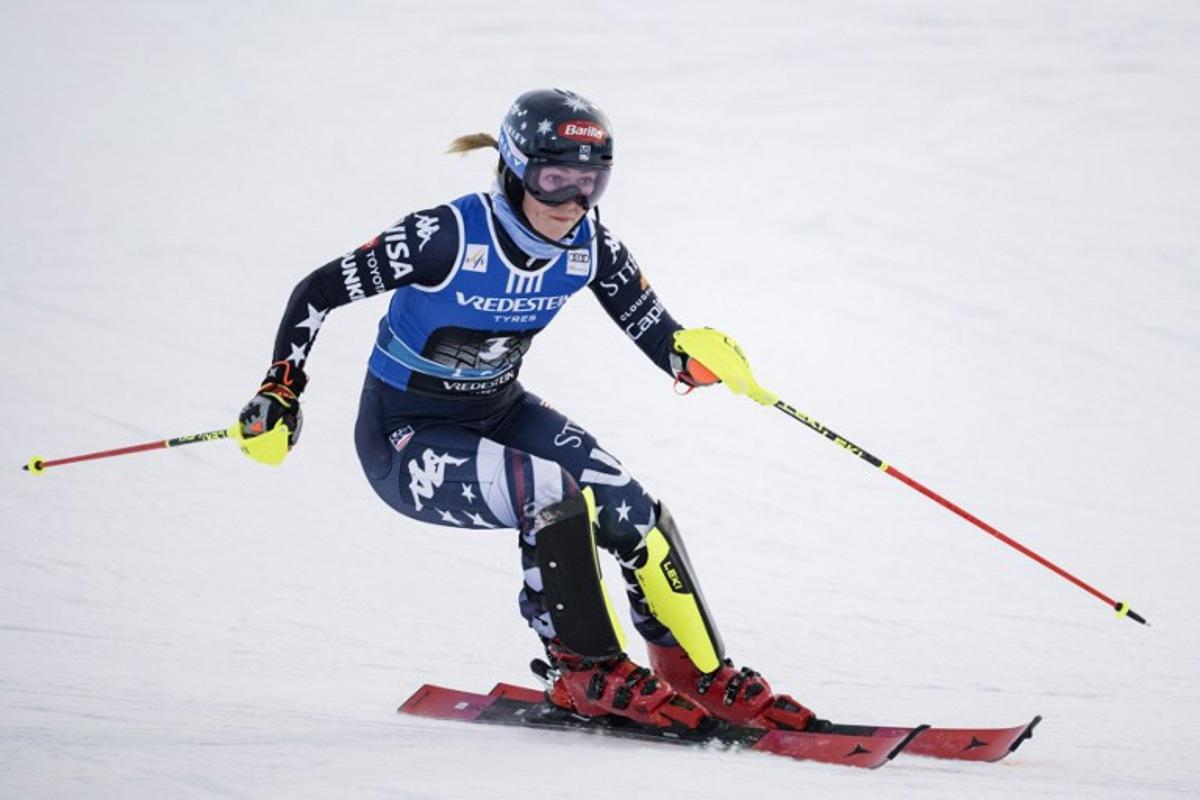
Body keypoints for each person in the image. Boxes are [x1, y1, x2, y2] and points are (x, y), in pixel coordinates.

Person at [235, 88, 820, 733]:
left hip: (499, 410)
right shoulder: (446, 237)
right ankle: (586, 670)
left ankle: (697, 672)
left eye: (590, 184)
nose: (572, 203)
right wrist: (281, 387)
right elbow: (317, 289)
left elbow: (662, 339)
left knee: (626, 502)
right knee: (550, 490)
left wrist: (698, 356)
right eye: (554, 180)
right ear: (514, 170)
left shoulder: (588, 246)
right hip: (405, 437)